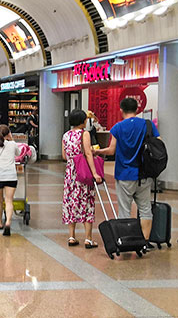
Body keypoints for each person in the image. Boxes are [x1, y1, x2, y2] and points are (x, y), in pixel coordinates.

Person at [93, 98, 157, 244]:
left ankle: (127, 240)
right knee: (146, 209)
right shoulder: (148, 125)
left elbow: (111, 150)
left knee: (124, 210)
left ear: (121, 110)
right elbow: (158, 143)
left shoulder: (118, 127)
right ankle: (145, 242)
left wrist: (97, 152)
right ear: (137, 109)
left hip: (124, 174)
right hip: (144, 174)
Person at [62, 109, 101, 249]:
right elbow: (88, 154)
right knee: (86, 202)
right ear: (82, 121)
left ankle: (72, 236)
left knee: (71, 201)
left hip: (70, 173)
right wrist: (95, 173)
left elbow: (64, 156)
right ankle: (88, 239)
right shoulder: (85, 134)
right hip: (82, 171)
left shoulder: (66, 135)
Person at [0, 124, 22, 236]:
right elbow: (19, 154)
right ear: (8, 134)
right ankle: (8, 222)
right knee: (9, 200)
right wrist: (11, 139)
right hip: (11, 176)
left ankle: (0, 223)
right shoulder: (12, 144)